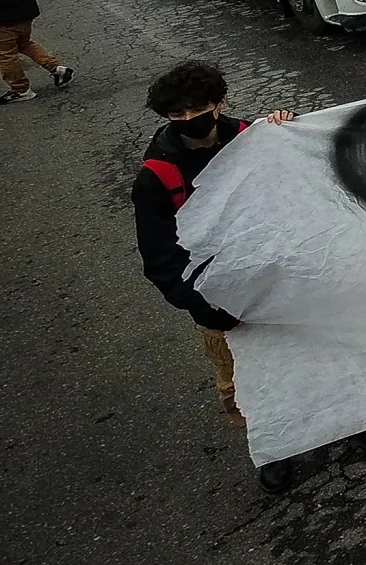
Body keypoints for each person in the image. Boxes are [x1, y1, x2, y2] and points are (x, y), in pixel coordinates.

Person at [132, 62, 340, 490]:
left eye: (198, 110)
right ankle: (273, 446)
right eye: (177, 116)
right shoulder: (156, 178)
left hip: (288, 281)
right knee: (245, 382)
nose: (189, 121)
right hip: (219, 300)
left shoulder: (256, 138)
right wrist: (208, 308)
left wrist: (292, 132)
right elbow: (161, 261)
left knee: (326, 355)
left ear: (220, 102)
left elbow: (309, 189)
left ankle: (352, 421)